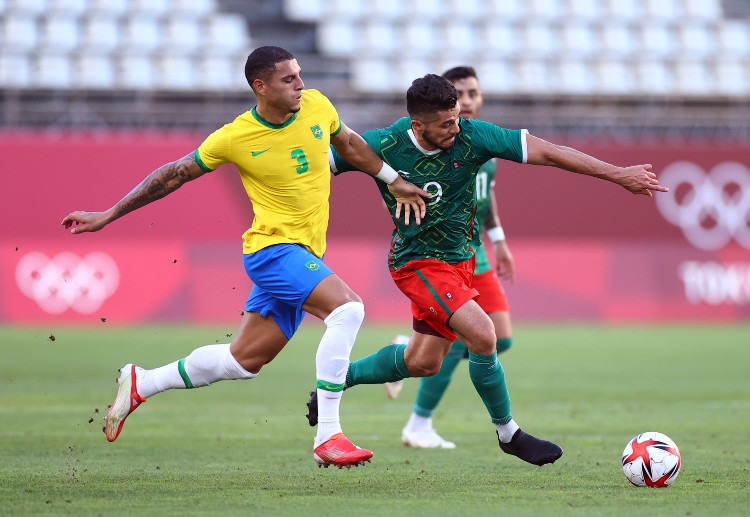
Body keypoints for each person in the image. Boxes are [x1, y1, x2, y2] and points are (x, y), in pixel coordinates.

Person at [61, 46, 429, 469]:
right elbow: (172, 175)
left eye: (300, 75)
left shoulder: (317, 106)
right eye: (289, 79)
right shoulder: (235, 137)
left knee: (242, 362)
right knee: (348, 310)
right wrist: (109, 213)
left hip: (304, 252)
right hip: (272, 252)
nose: (300, 84)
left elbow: (349, 143)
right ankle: (329, 435)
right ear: (261, 86)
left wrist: (392, 179)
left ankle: (143, 381)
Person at [307, 74, 667, 467]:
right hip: (417, 263)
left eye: (458, 117)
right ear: (418, 126)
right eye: (446, 123)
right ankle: (508, 433)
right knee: (484, 335)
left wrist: (618, 175)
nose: (456, 127)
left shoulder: (472, 135)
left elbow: (547, 152)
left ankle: (338, 377)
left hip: (460, 262)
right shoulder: (385, 144)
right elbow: (315, 162)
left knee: (423, 362)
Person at [383, 66, 517, 449]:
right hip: (444, 257)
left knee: (500, 339)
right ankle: (419, 423)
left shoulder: (481, 146)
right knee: (473, 338)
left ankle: (406, 353)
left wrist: (499, 239)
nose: (470, 100)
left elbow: (484, 197)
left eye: (474, 93)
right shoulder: (438, 144)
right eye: (462, 94)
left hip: (477, 256)